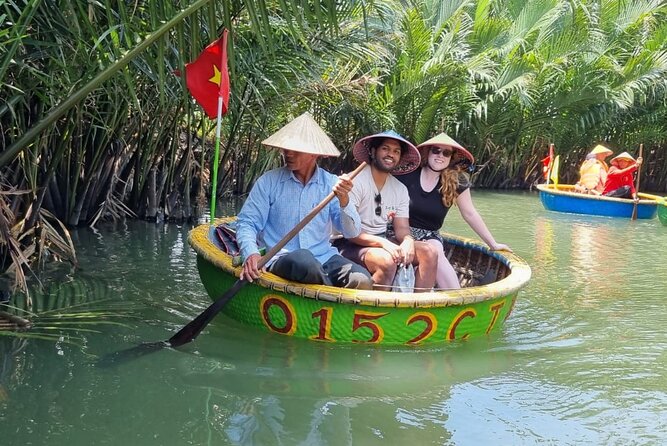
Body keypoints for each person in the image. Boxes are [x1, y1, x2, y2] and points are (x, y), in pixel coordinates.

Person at [236, 112, 373, 289]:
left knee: (362, 279)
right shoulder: (269, 182)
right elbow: (247, 223)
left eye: (296, 149)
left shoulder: (331, 184)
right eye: (286, 148)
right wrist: (251, 253)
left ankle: (336, 309)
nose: (288, 154)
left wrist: (344, 201)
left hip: (324, 256)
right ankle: (332, 293)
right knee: (304, 262)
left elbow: (351, 232)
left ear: (314, 154)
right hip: (282, 258)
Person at [396, 133, 511, 289]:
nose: (440, 156)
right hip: (400, 230)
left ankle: (456, 298)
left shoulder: (457, 181)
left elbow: (470, 214)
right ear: (428, 152)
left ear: (451, 157)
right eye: (436, 150)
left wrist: (492, 243)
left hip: (429, 234)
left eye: (446, 153)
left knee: (435, 251)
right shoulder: (407, 175)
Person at [336, 130, 437, 292]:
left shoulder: (400, 189)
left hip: (382, 241)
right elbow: (351, 233)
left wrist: (408, 241)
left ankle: (415, 309)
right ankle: (375, 313)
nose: (391, 154)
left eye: (396, 151)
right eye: (385, 149)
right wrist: (384, 244)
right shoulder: (354, 181)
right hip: (349, 244)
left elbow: (402, 229)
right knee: (386, 261)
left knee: (429, 252)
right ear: (373, 151)